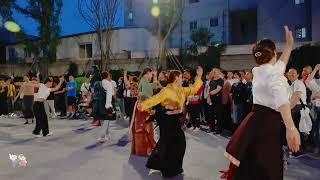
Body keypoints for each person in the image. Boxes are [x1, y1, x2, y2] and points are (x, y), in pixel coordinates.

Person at [221, 26, 300, 180]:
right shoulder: (275, 76)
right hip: (268, 125)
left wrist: (289, 46)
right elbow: (283, 103)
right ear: (274, 54)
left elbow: (279, 65)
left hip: (254, 121)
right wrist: (291, 128)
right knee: (267, 165)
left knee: (251, 161)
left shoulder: (258, 71)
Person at [137, 66, 203, 178]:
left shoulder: (181, 90)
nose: (182, 79)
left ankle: (164, 165)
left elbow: (194, 89)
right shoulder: (166, 90)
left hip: (176, 120)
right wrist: (143, 105)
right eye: (181, 77)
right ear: (176, 78)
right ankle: (168, 169)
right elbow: (155, 99)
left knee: (175, 144)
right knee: (170, 144)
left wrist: (199, 77)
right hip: (166, 121)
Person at [130, 68, 157, 156]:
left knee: (147, 128)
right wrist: (148, 97)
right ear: (147, 73)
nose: (151, 76)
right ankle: (144, 150)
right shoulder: (143, 80)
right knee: (143, 128)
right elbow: (140, 93)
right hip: (142, 106)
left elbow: (155, 85)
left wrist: (155, 75)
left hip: (146, 106)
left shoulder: (146, 82)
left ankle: (148, 148)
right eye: (151, 74)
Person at [287, 67, 307, 157]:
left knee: (296, 129)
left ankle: (297, 150)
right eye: (289, 73)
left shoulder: (298, 83)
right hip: (294, 108)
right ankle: (295, 149)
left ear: (298, 75)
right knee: (295, 128)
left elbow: (296, 97)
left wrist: (288, 110)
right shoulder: (292, 84)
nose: (291, 74)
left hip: (297, 108)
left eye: (293, 73)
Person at [305, 64, 320, 153]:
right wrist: (315, 69)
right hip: (315, 107)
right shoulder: (315, 81)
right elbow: (307, 82)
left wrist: (316, 95)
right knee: (315, 127)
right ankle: (316, 146)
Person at [97, 71, 115, 143]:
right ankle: (103, 136)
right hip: (107, 103)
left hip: (100, 103)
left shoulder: (99, 83)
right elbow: (110, 95)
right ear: (107, 76)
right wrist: (109, 105)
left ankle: (106, 135)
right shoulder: (109, 84)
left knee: (102, 120)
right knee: (106, 120)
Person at [206, 68, 224, 134]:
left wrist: (210, 94)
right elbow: (208, 89)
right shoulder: (211, 80)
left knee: (218, 115)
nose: (214, 73)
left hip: (218, 100)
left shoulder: (221, 80)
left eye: (215, 72)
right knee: (211, 115)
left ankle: (219, 130)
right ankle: (212, 129)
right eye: (213, 72)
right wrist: (208, 98)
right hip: (211, 100)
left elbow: (217, 90)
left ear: (219, 72)